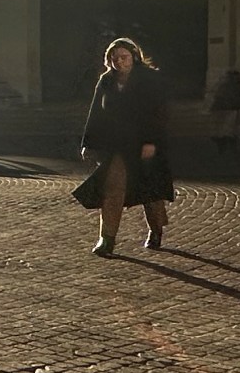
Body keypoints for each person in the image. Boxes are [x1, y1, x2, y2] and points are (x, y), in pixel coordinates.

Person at [72, 38, 175, 256]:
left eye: (124, 57)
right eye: (114, 58)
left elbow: (158, 114)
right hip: (116, 146)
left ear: (134, 56)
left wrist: (151, 141)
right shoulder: (106, 81)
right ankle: (106, 239)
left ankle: (156, 230)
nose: (119, 61)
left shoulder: (149, 79)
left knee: (151, 193)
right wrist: (88, 143)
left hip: (143, 144)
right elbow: (96, 113)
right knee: (112, 189)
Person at [208, 69, 240, 154]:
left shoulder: (224, 85)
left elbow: (217, 96)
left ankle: (223, 147)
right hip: (230, 109)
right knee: (230, 130)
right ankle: (229, 148)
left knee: (225, 130)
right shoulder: (239, 85)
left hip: (223, 109)